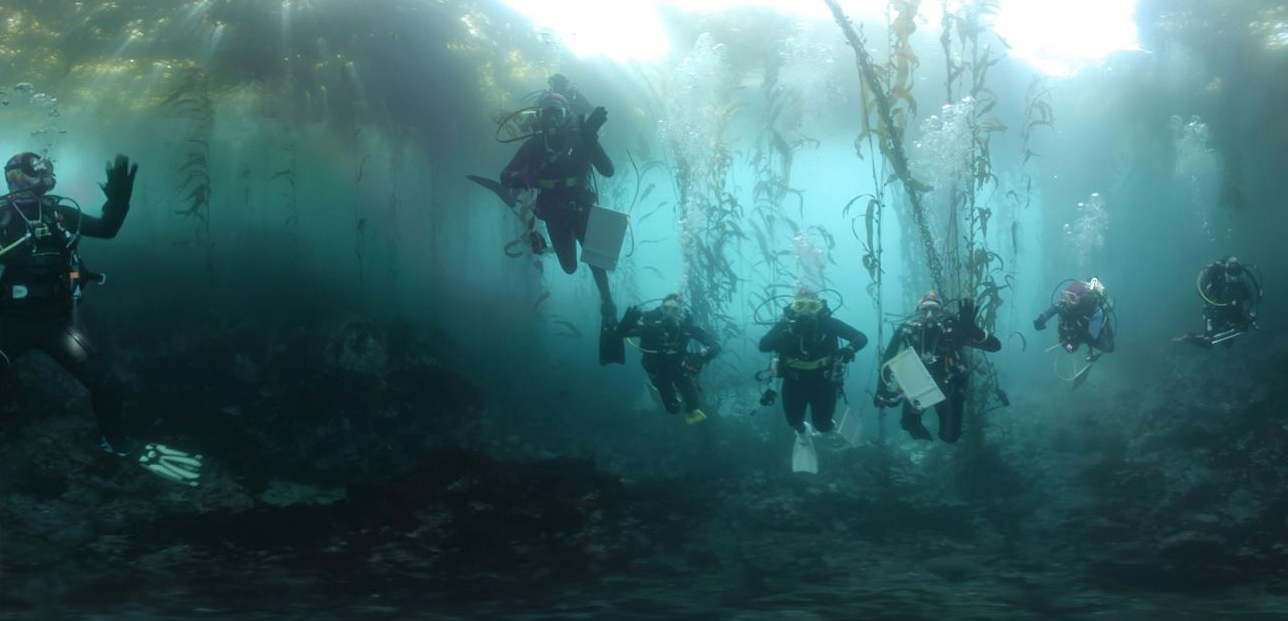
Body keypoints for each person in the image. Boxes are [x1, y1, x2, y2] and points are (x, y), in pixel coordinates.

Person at [0, 152, 201, 485]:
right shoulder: (3, 215)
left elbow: (107, 229)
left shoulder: (58, 213)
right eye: (38, 170)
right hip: (10, 321)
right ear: (19, 177)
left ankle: (114, 441)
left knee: (105, 384)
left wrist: (119, 200)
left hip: (56, 322)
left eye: (46, 169)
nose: (47, 174)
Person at [501, 93, 620, 363]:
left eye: (558, 112)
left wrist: (592, 139)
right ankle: (545, 246)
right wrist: (525, 178)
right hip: (554, 212)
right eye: (548, 113)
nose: (553, 118)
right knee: (569, 267)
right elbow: (505, 176)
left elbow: (608, 171)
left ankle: (607, 303)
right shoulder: (533, 145)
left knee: (596, 260)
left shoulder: (581, 138)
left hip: (581, 208)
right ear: (539, 117)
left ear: (567, 116)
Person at [874, 292, 1001, 443]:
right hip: (917, 383)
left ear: (942, 312)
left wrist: (974, 330)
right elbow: (888, 358)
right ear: (917, 312)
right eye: (924, 310)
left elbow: (995, 346)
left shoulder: (953, 329)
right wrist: (881, 389)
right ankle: (917, 425)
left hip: (950, 384)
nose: (929, 315)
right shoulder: (907, 330)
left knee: (950, 437)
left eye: (934, 310)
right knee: (907, 424)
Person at [758, 289, 867, 436]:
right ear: (793, 307)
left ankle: (827, 429)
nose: (806, 311)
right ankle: (804, 433)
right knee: (794, 422)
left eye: (812, 307)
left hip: (824, 381)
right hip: (793, 381)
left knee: (823, 425)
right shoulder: (785, 326)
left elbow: (860, 337)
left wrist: (849, 349)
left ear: (819, 308)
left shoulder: (828, 324)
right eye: (800, 306)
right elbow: (763, 346)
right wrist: (780, 336)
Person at [617, 294, 720, 425]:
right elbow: (620, 334)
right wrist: (624, 325)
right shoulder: (650, 325)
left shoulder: (685, 327)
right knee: (673, 409)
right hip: (657, 369)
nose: (670, 313)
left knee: (693, 408)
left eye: (676, 310)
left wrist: (699, 357)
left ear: (681, 311)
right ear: (661, 308)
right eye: (666, 308)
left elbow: (715, 346)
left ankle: (681, 396)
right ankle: (657, 390)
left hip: (678, 367)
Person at [1180, 256, 1260, 348]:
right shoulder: (1217, 279)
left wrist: (1250, 315)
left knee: (1228, 344)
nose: (1234, 276)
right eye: (1231, 271)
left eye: (1237, 272)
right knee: (1208, 342)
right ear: (1226, 270)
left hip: (1235, 311)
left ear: (1240, 271)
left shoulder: (1242, 282)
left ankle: (1226, 330)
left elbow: (1254, 300)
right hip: (1214, 312)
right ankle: (1189, 337)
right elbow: (1201, 292)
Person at [1033, 277, 1115, 361]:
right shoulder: (1067, 303)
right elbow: (1055, 307)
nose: (1066, 301)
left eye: (1071, 298)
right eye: (1064, 296)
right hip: (1080, 327)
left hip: (1092, 330)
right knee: (1072, 347)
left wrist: (1074, 322)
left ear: (1081, 298)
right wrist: (1041, 319)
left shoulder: (1095, 311)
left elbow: (1091, 339)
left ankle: (1096, 354)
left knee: (1108, 347)